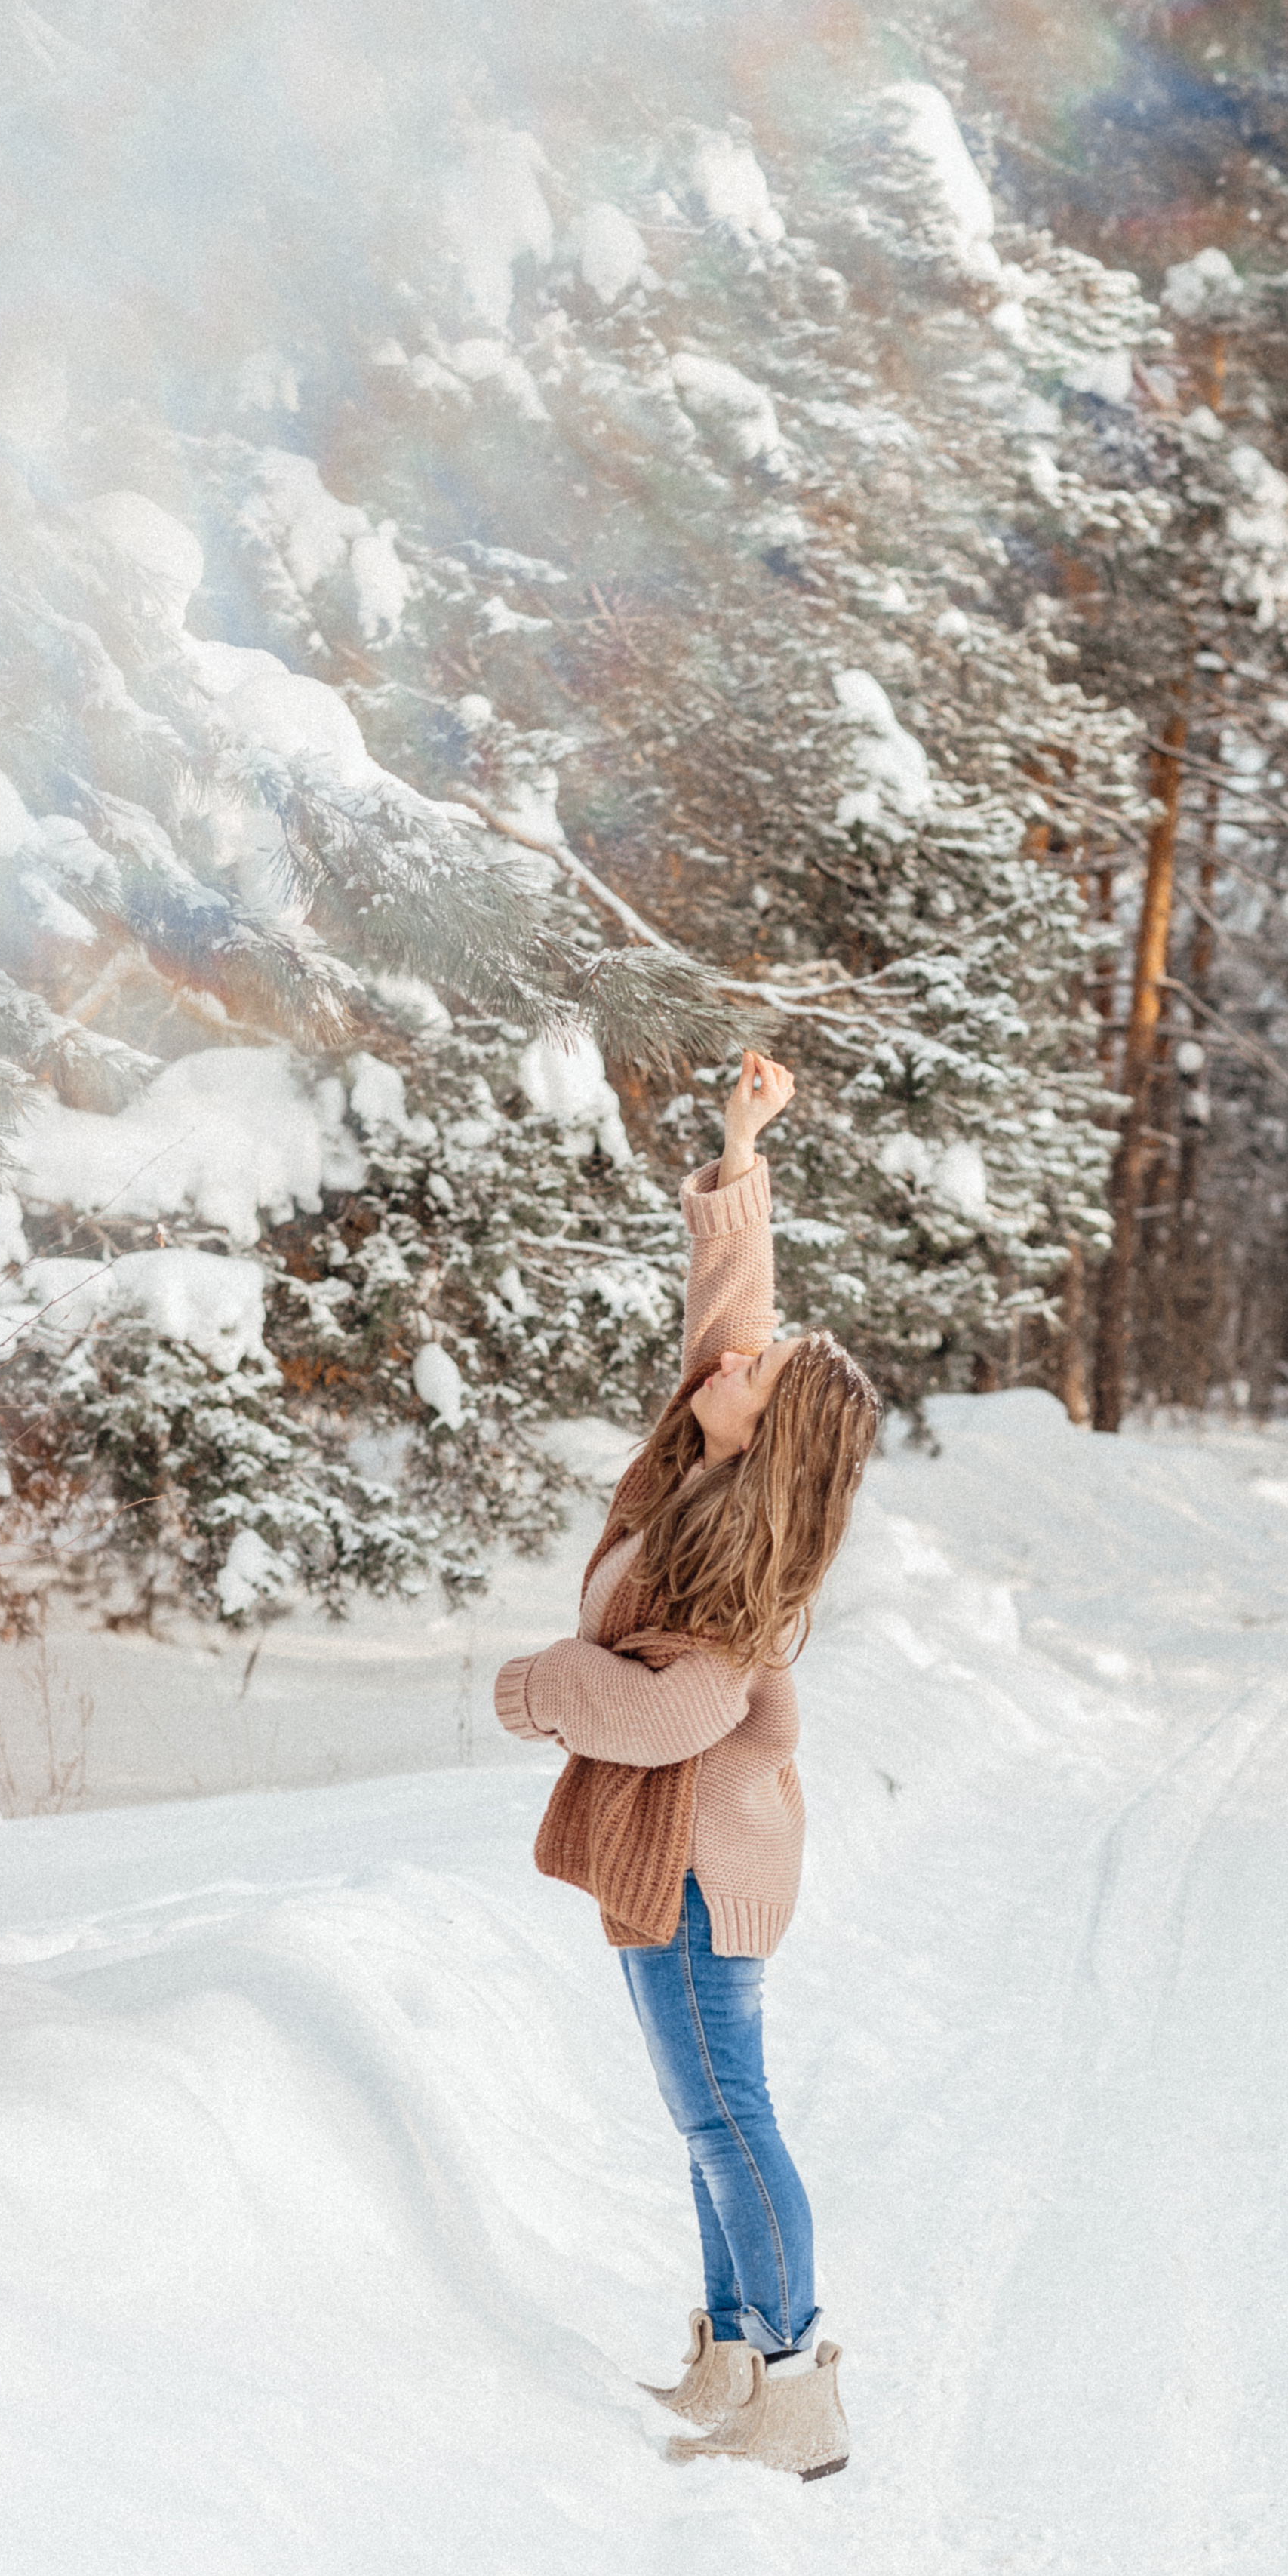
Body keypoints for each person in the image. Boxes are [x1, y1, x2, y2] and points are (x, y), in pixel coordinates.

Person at [494, 1048, 880, 2481]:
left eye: (759, 1373)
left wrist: (541, 1686)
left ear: (768, 1430)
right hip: (698, 1855)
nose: (735, 1358)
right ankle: (730, 2356)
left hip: (707, 1863)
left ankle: (793, 2382)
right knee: (710, 2120)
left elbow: (668, 1719)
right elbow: (731, 1313)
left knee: (728, 2119)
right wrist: (740, 1145)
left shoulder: (741, 1567)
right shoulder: (713, 1472)